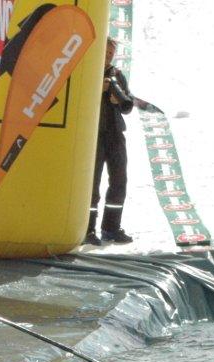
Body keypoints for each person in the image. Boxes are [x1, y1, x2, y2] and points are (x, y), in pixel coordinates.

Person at [84, 38, 134, 246]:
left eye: (111, 54)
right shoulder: (87, 72)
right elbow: (81, 100)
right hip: (94, 135)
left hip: (115, 133)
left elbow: (128, 104)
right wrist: (99, 90)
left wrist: (117, 100)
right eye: (105, 53)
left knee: (119, 181)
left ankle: (111, 228)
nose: (108, 57)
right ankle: (87, 229)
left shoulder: (117, 74)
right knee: (91, 184)